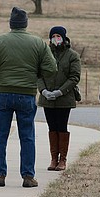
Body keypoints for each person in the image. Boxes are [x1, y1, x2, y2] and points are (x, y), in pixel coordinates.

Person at [0, 7, 57, 188]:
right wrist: (35, 73)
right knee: (27, 136)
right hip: (27, 93)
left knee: (0, 135)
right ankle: (28, 176)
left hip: (3, 93)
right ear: (26, 23)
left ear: (11, 23)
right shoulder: (38, 43)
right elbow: (51, 68)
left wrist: (0, 71)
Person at [37, 26, 81, 171]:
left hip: (64, 98)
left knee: (62, 127)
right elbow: (38, 74)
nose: (56, 38)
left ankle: (63, 159)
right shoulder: (45, 53)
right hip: (47, 98)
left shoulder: (72, 55)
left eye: (58, 36)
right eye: (53, 36)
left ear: (64, 37)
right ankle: (53, 158)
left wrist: (60, 92)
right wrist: (43, 91)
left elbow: (74, 77)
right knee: (52, 127)